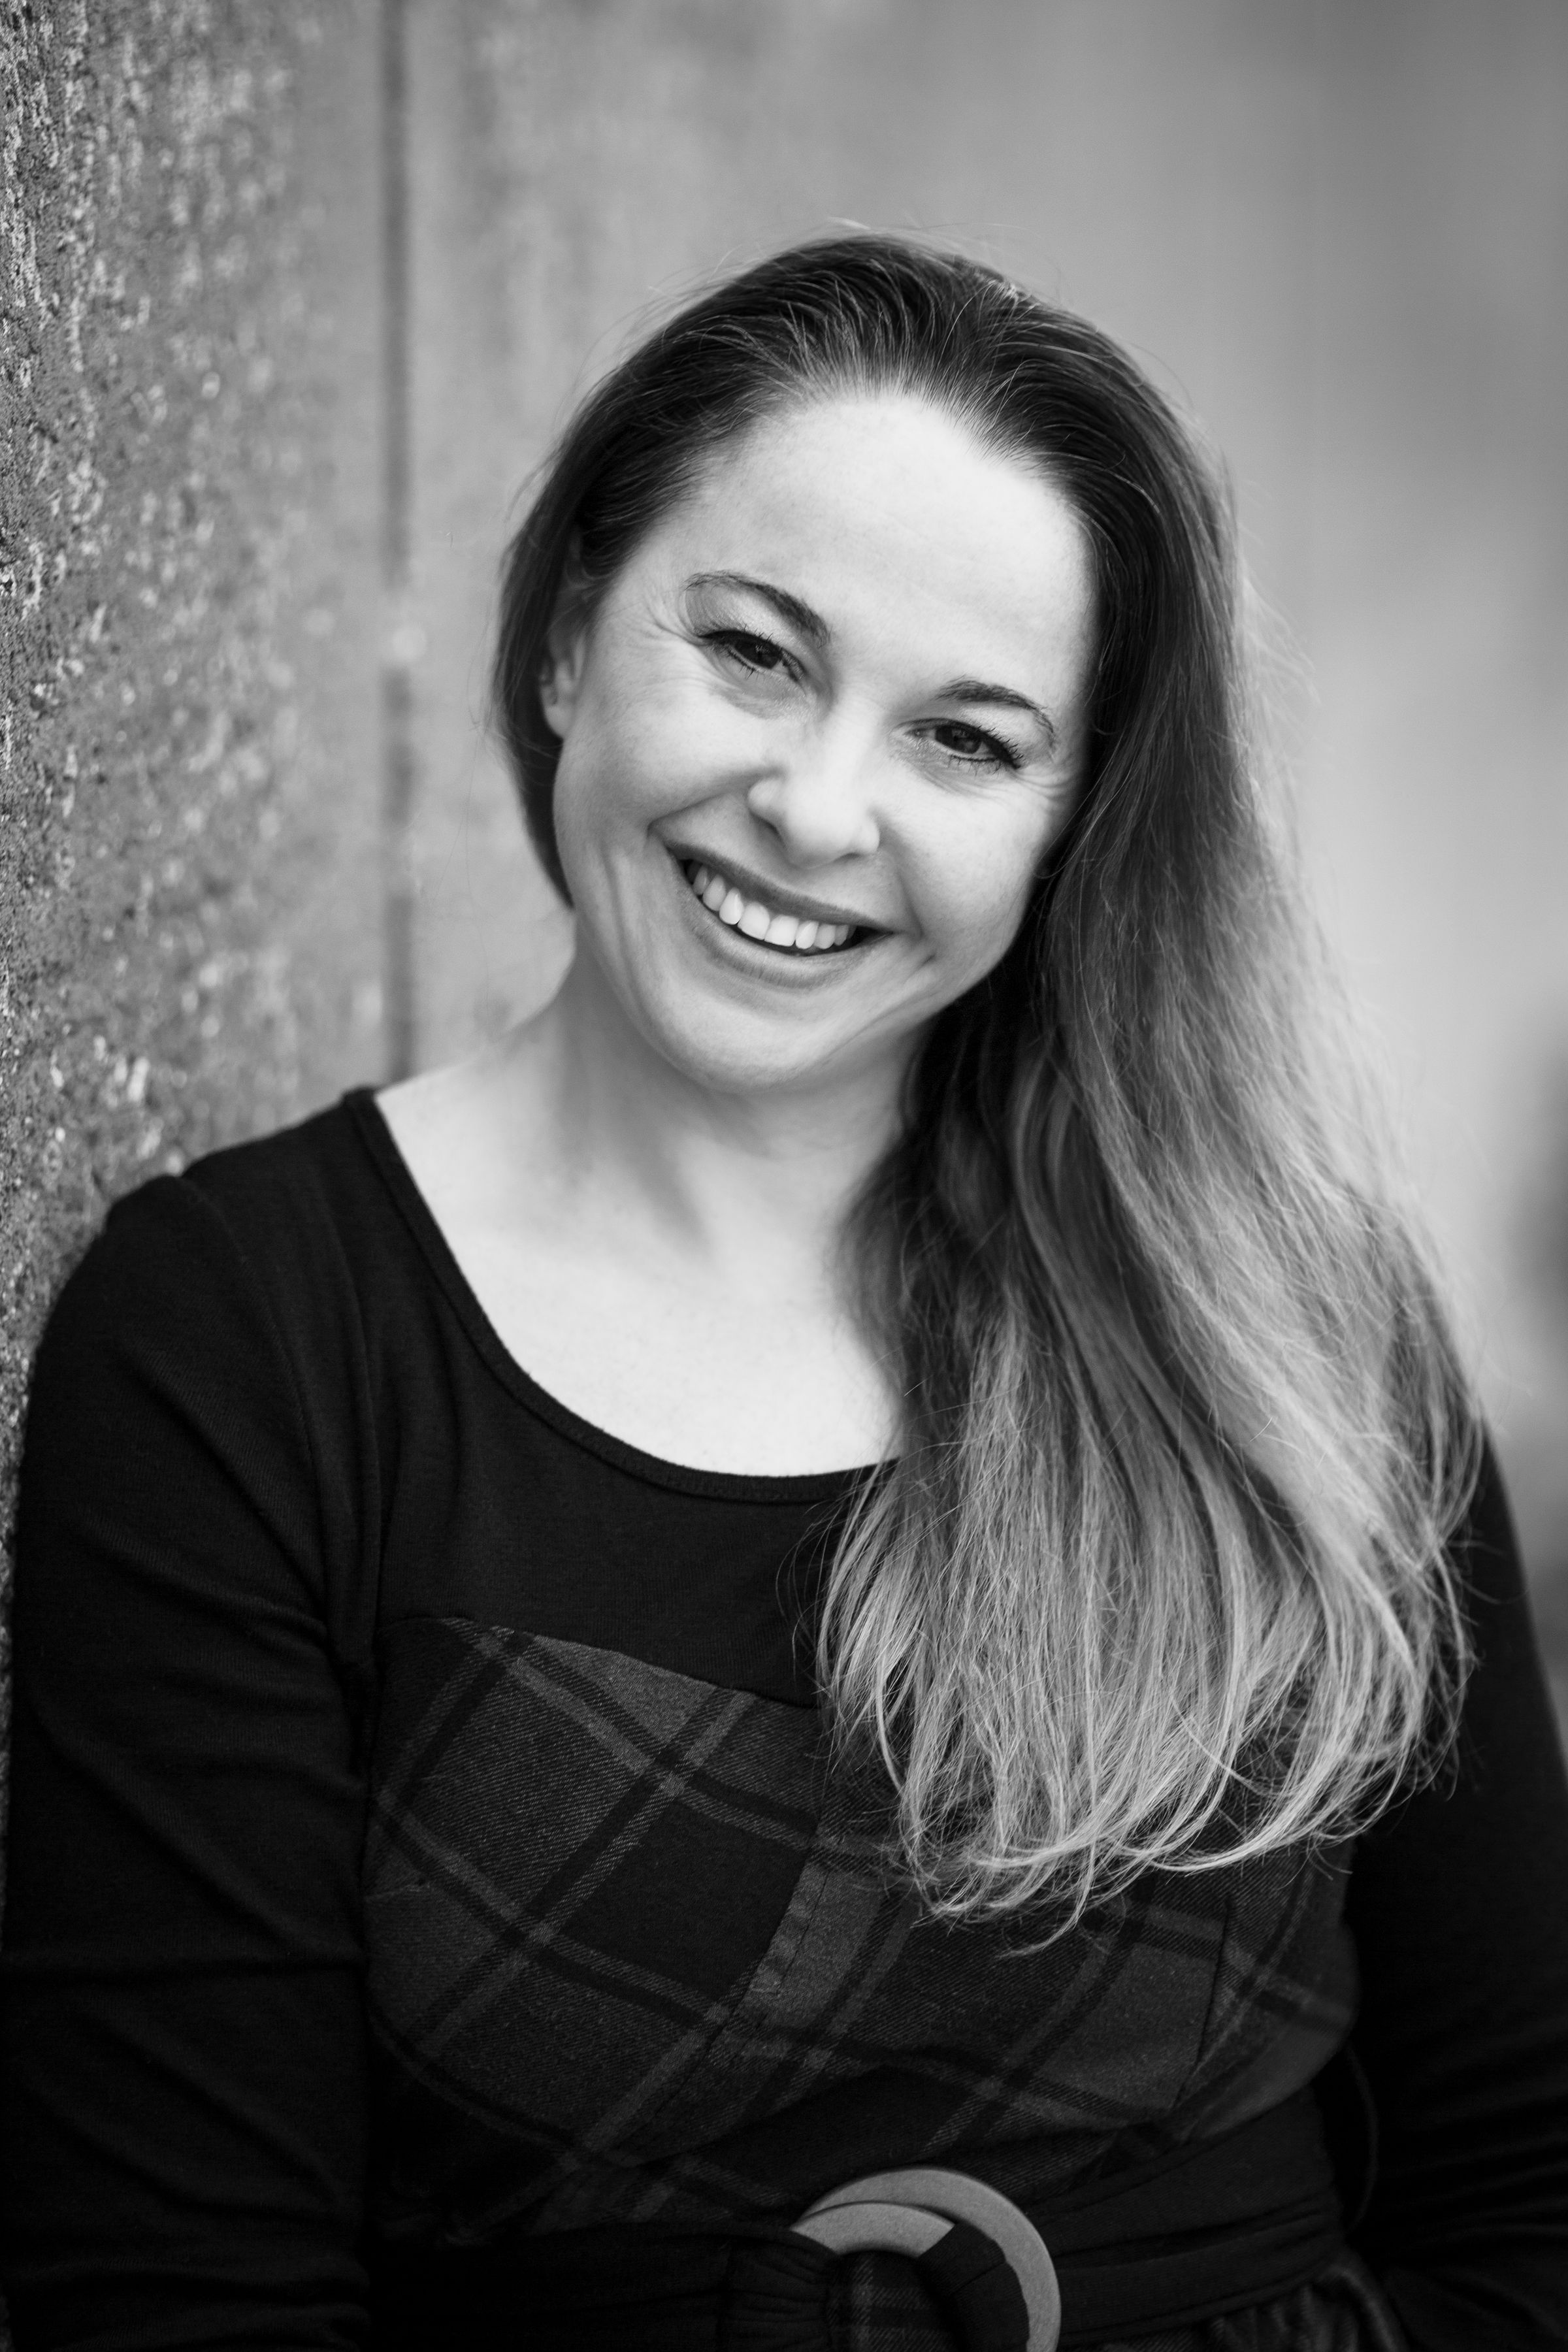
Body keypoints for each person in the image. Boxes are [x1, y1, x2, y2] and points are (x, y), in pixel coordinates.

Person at [2, 234, 1565, 2352]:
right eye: (751, 653)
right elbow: (182, 2311)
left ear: (1063, 830)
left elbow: (1529, 2201)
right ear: (571, 637)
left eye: (966, 739)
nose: (819, 808)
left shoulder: (1296, 1328)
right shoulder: (240, 1343)